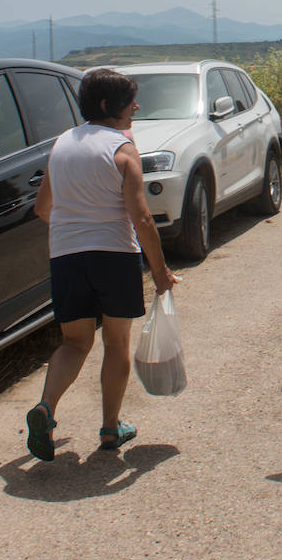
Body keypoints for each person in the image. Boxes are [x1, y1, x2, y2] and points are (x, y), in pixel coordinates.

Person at [30, 68, 179, 461]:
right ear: (106, 105)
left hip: (66, 257)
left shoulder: (61, 145)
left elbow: (43, 208)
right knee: (116, 344)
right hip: (114, 257)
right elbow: (142, 219)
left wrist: (76, 222)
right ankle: (111, 429)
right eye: (131, 100)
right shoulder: (122, 148)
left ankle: (45, 408)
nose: (137, 106)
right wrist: (161, 272)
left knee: (74, 343)